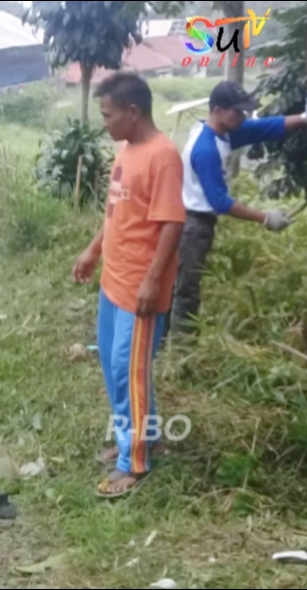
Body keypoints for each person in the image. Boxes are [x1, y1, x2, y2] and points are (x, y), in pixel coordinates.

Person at [72, 72, 186, 498]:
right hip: (113, 282)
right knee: (114, 368)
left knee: (129, 373)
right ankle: (142, 436)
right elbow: (118, 213)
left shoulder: (163, 156)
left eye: (108, 114)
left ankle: (133, 462)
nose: (105, 122)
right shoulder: (127, 149)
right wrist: (92, 250)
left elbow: (173, 222)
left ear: (132, 112)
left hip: (140, 288)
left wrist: (153, 282)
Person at [170, 81, 307, 334]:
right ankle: (179, 353)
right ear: (218, 110)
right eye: (238, 111)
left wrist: (301, 118)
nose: (244, 116)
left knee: (180, 285)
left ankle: (166, 342)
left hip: (195, 222)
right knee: (186, 290)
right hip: (193, 226)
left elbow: (262, 128)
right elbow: (220, 202)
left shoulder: (216, 131)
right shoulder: (206, 149)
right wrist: (265, 218)